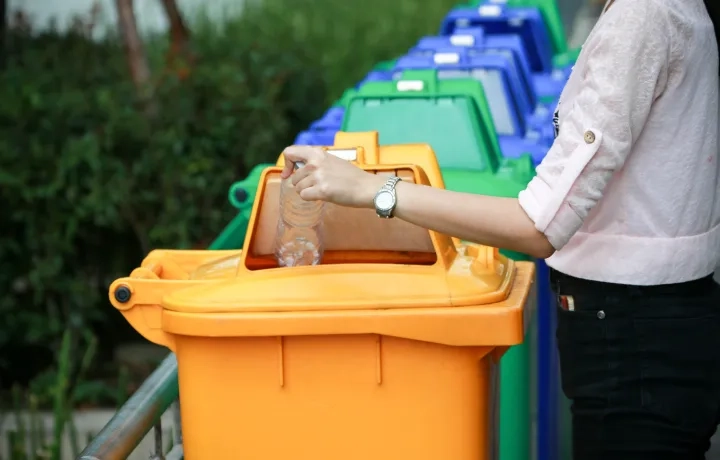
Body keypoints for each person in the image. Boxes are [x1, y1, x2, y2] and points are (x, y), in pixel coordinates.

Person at [281, 0, 720, 458]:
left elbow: (537, 226)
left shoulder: (641, 17)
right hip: (655, 330)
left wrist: (376, 190)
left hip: (635, 343)